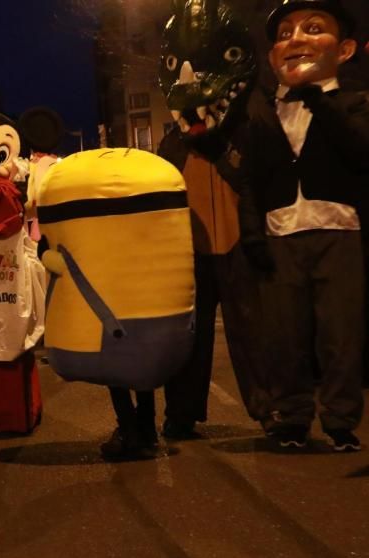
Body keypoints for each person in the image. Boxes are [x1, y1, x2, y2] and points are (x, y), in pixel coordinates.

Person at [238, 0, 369, 451]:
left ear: (346, 49)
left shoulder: (356, 102)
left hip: (341, 232)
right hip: (280, 234)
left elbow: (361, 152)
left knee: (341, 333)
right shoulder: (263, 113)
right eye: (284, 34)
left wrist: (317, 98)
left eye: (313, 29)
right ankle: (291, 416)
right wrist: (252, 233)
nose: (295, 39)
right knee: (284, 335)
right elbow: (250, 180)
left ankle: (340, 419)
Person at [156, 0, 271, 439]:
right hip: (193, 253)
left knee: (254, 333)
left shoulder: (251, 130)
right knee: (190, 339)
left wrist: (225, 155)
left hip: (244, 246)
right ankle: (180, 415)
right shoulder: (173, 144)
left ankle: (270, 410)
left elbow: (261, 182)